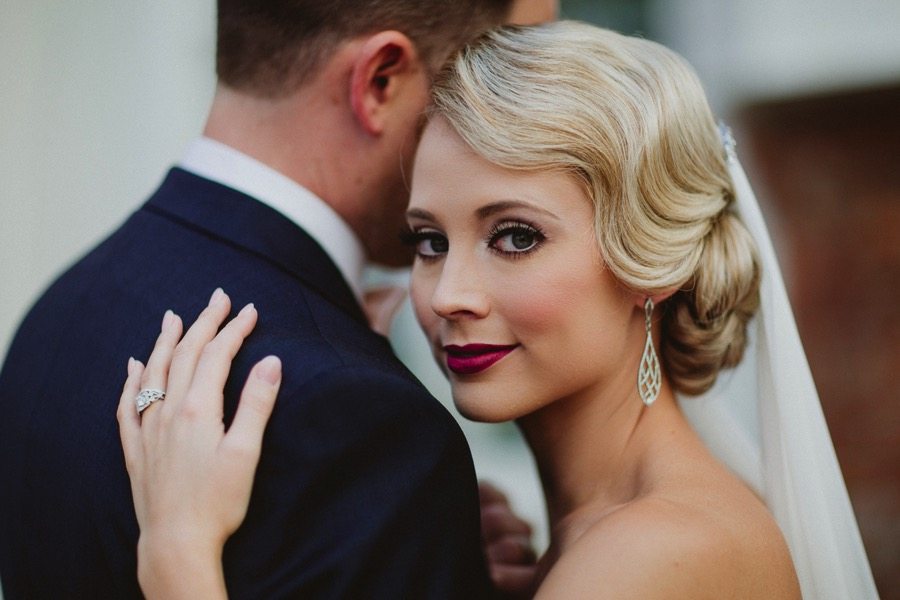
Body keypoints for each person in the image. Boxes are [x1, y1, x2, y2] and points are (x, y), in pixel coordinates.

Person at [118, 21, 880, 599]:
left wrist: (179, 555)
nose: (449, 295)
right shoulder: (593, 537)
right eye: (427, 242)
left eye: (515, 236)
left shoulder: (660, 551)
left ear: (654, 263)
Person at [0, 1, 561, 598]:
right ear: (381, 81)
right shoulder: (364, 423)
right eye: (502, 72)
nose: (529, 116)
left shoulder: (63, 308)